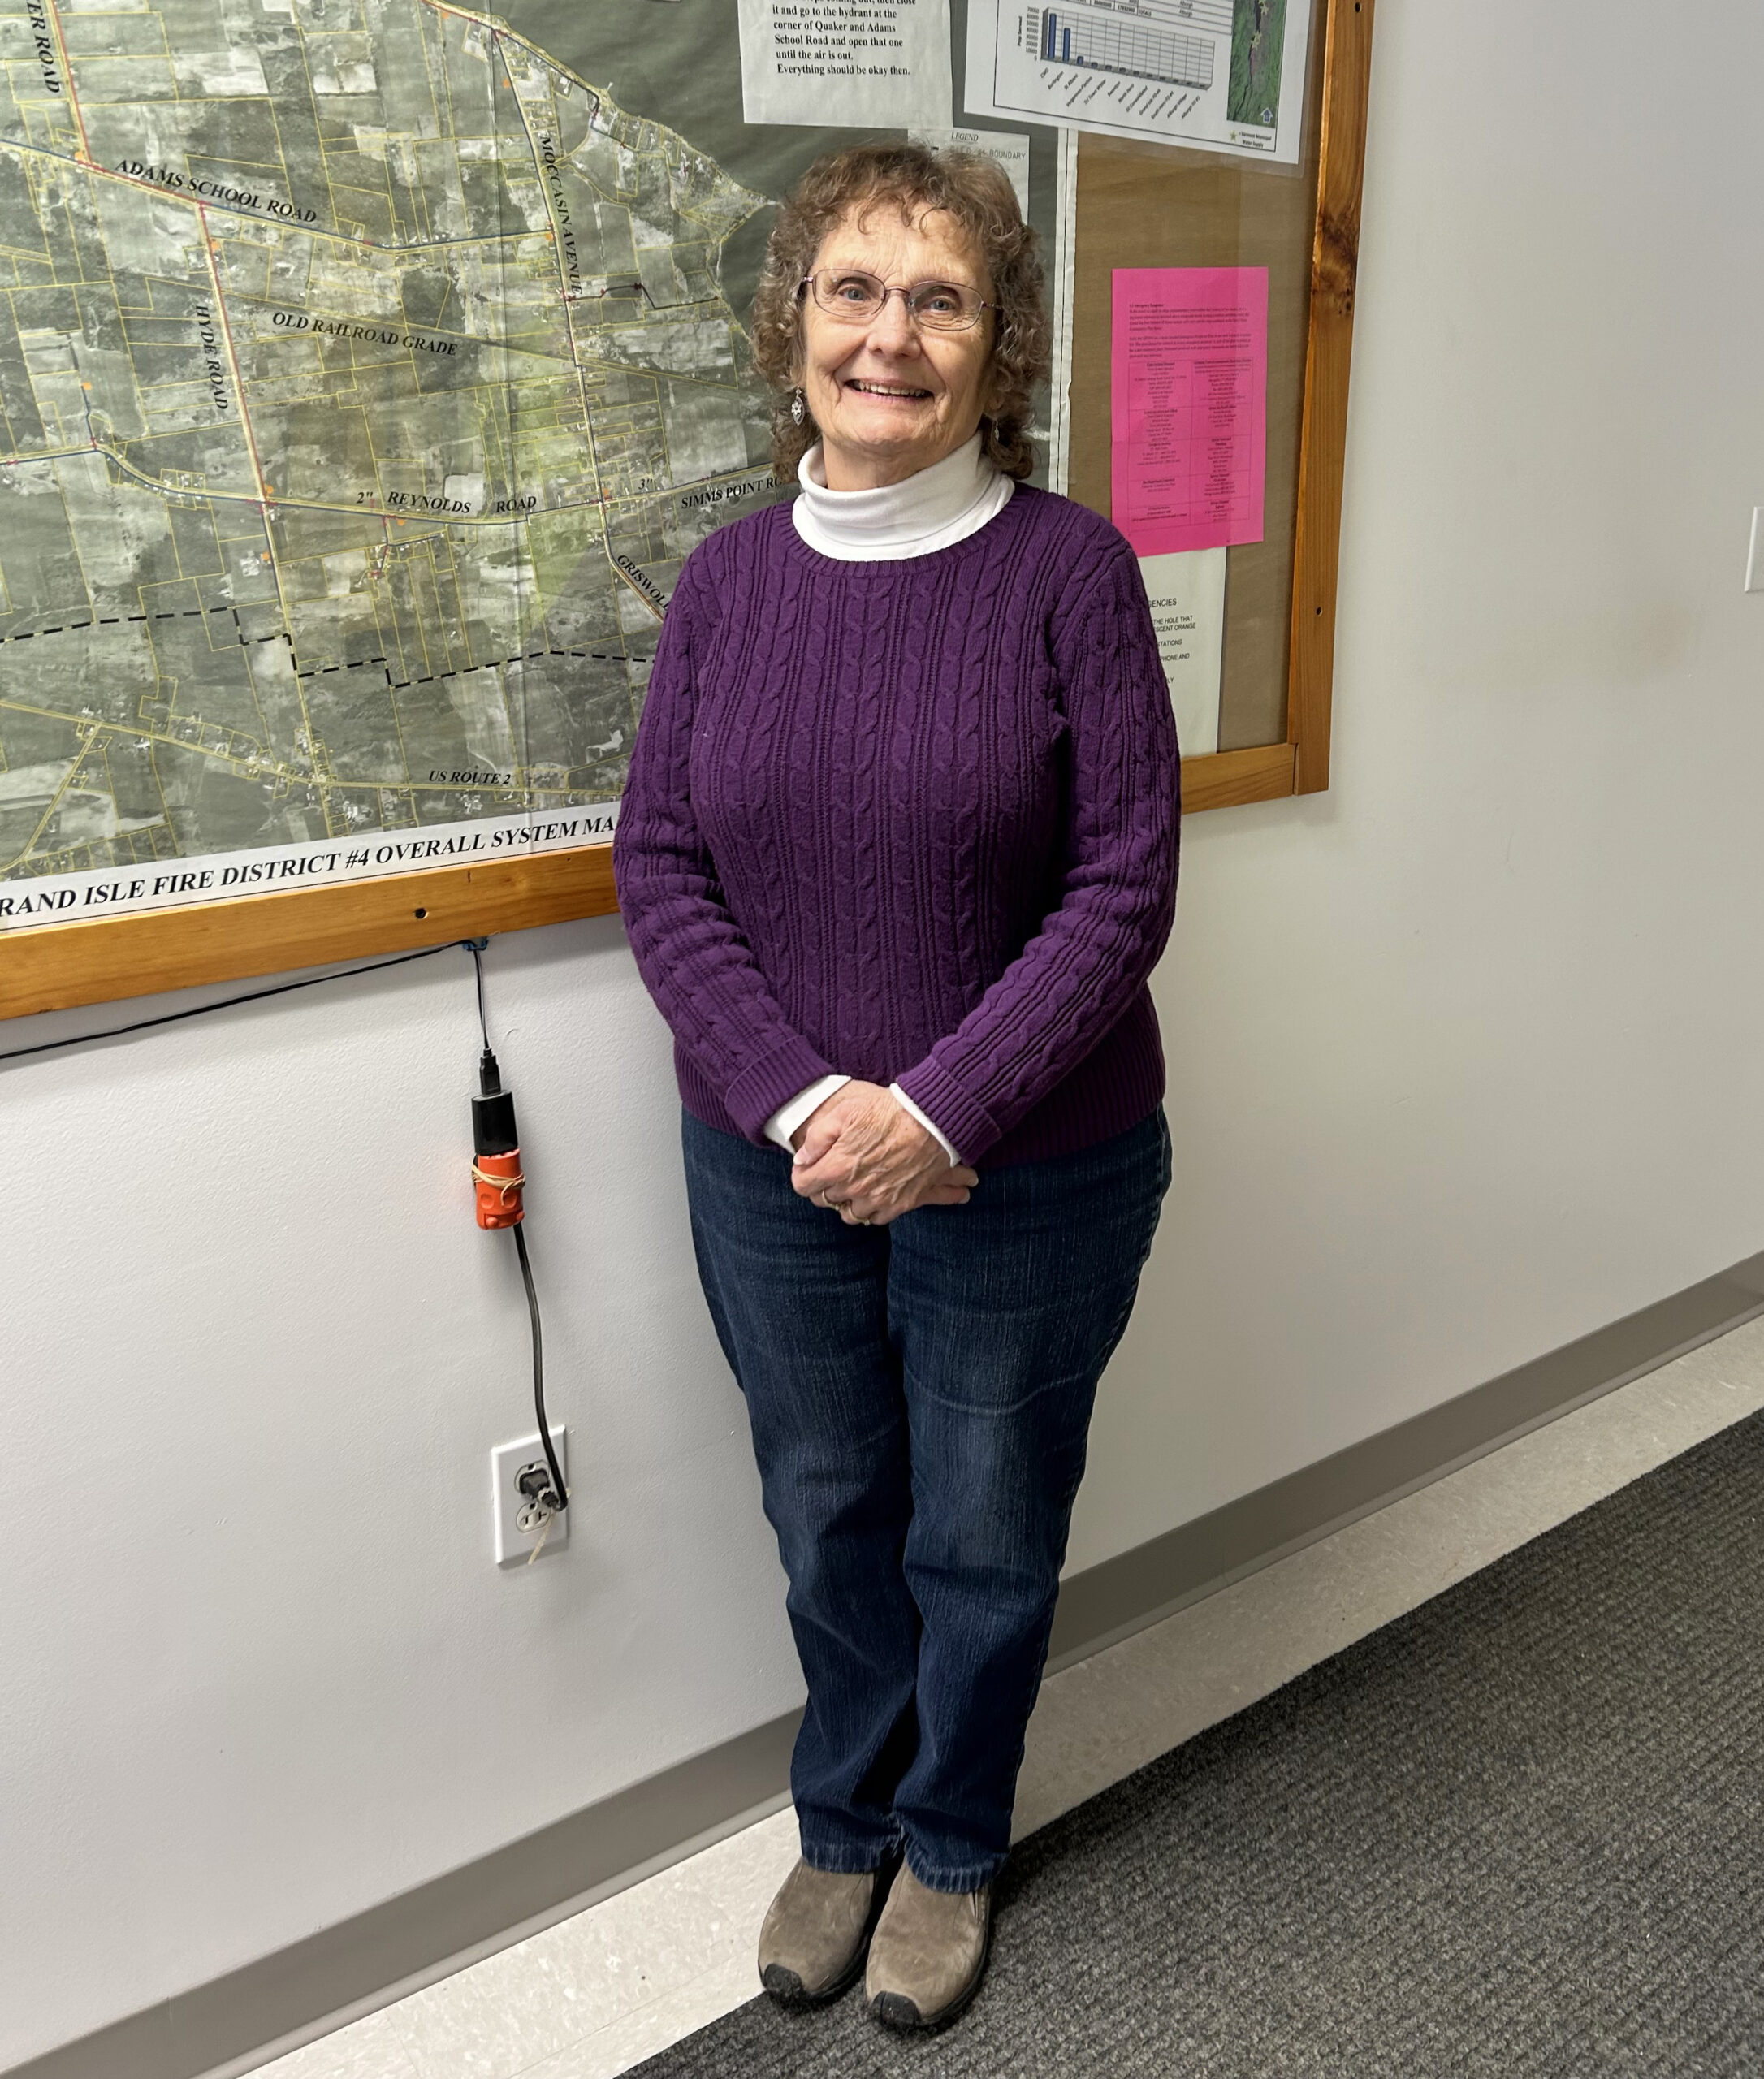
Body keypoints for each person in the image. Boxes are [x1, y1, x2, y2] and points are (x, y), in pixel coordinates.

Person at [613, 141, 1179, 2033]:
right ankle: (840, 1819)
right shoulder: (720, 585)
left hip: (1029, 1167)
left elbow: (1124, 883)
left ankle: (948, 1841)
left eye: (940, 298)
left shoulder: (1069, 572)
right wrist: (798, 1105)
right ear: (796, 331)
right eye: (855, 291)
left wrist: (937, 1108)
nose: (892, 336)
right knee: (831, 1502)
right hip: (763, 1162)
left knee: (984, 1524)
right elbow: (662, 868)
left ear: (994, 343)